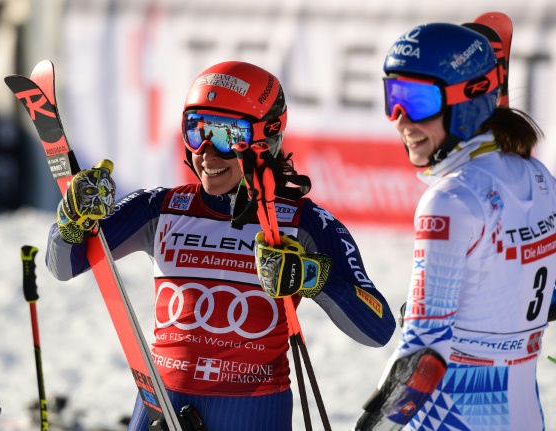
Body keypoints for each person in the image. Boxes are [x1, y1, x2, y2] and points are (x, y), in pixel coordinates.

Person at [46, 61, 396, 430]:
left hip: (253, 413)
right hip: (160, 408)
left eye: (227, 135)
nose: (207, 152)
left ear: (267, 137)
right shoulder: (161, 208)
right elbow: (64, 265)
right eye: (196, 131)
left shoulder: (304, 223)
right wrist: (72, 221)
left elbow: (378, 329)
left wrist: (312, 277)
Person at [354, 22, 556, 431]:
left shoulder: (449, 200)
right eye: (394, 97)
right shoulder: (539, 177)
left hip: (453, 414)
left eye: (418, 100)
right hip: (524, 412)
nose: (400, 120)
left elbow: (422, 357)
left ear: (466, 101)